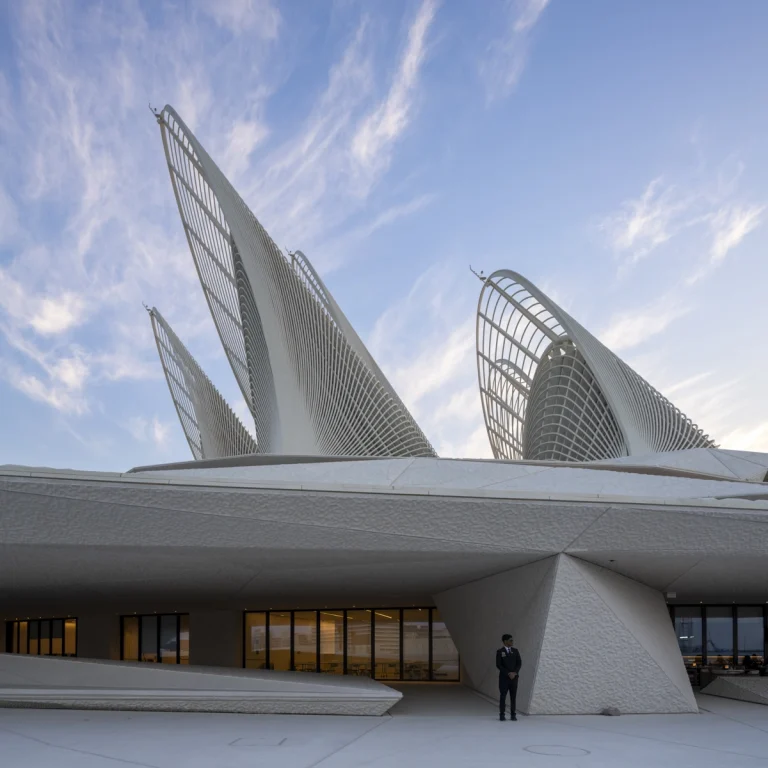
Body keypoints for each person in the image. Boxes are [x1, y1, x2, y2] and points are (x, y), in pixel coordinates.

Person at [496, 633, 522, 721]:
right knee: (503, 696)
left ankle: (513, 714)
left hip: (514, 678)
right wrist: (508, 673)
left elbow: (519, 663)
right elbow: (499, 665)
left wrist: (514, 672)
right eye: (510, 640)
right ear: (505, 641)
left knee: (513, 696)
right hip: (504, 678)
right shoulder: (500, 652)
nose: (512, 642)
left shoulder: (515, 651)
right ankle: (502, 714)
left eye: (512, 640)